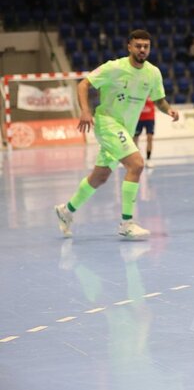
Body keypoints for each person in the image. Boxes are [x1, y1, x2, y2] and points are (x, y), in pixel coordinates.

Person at [55, 29, 179, 240]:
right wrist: (85, 111)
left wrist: (168, 110)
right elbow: (83, 84)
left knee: (100, 176)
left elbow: (158, 100)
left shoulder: (153, 73)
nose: (142, 49)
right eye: (138, 45)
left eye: (146, 46)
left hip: (125, 130)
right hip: (108, 123)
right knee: (137, 164)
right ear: (129, 46)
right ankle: (127, 223)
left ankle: (66, 211)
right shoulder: (114, 67)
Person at [133, 98, 156, 168]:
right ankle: (135, 159)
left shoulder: (152, 91)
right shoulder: (137, 91)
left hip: (150, 118)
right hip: (138, 118)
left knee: (150, 138)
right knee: (135, 138)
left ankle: (148, 159)